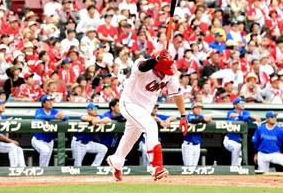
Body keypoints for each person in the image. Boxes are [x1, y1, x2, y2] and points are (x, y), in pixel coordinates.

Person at [106, 50, 188, 181]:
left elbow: (177, 94)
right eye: (164, 69)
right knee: (151, 126)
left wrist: (183, 115)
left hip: (145, 109)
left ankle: (116, 161)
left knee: (131, 137)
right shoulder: (142, 64)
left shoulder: (169, 72)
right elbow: (143, 66)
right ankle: (156, 167)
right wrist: (156, 59)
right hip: (129, 103)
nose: (167, 73)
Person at [0, 99, 26, 167]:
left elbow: (5, 133)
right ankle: (14, 169)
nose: (3, 106)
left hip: (0, 142)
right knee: (12, 147)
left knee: (19, 149)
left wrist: (8, 140)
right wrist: (11, 141)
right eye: (0, 105)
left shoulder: (3, 117)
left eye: (3, 104)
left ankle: (22, 168)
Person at [32, 95, 68, 167]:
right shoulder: (39, 111)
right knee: (45, 151)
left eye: (52, 101)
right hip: (38, 140)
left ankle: (43, 173)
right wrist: (54, 117)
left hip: (50, 141)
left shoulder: (54, 111)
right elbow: (38, 117)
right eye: (48, 101)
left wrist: (62, 117)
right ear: (44, 103)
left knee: (46, 161)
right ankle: (41, 171)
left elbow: (67, 117)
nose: (51, 102)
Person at [71, 103, 111, 167]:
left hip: (88, 143)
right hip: (78, 144)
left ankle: (94, 167)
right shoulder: (84, 115)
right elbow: (84, 118)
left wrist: (98, 121)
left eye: (96, 109)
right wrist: (93, 119)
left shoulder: (98, 116)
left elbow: (108, 120)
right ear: (88, 111)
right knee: (77, 166)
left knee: (103, 149)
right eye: (94, 109)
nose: (96, 110)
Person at [223, 97, 261, 166]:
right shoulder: (230, 112)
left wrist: (240, 116)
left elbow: (245, 117)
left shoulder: (246, 112)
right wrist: (250, 117)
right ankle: (233, 167)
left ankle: (236, 170)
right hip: (229, 140)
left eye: (243, 103)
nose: (243, 104)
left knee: (239, 160)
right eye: (241, 103)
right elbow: (232, 120)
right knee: (237, 147)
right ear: (235, 105)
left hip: (240, 142)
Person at [182, 101, 212, 167]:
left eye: (200, 108)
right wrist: (203, 119)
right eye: (197, 108)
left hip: (197, 145)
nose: (199, 110)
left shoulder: (201, 116)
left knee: (195, 167)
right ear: (192, 109)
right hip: (188, 145)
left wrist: (207, 120)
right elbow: (193, 120)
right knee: (188, 167)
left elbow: (207, 120)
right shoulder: (189, 115)